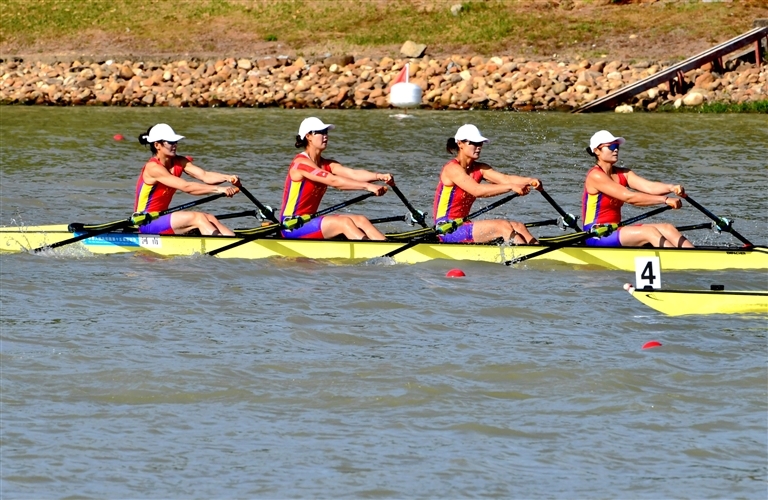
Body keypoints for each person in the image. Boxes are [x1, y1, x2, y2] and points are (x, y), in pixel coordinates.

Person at [279, 117, 391, 240]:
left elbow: (353, 174)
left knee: (361, 220)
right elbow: (334, 181)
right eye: (320, 132)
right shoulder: (300, 164)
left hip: (310, 220)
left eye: (326, 132)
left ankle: (387, 245)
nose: (325, 136)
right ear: (308, 136)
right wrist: (368, 186)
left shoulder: (327, 164)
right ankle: (373, 250)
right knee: (344, 223)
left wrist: (379, 176)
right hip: (293, 225)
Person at [432, 124, 541, 244]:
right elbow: (477, 190)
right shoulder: (452, 169)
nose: (478, 147)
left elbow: (505, 179)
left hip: (463, 224)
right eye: (473, 143)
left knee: (518, 226)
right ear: (460, 144)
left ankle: (540, 254)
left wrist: (530, 181)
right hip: (447, 229)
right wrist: (511, 187)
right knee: (502, 226)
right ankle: (524, 257)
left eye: (480, 143)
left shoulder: (480, 168)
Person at [582, 130, 693, 248]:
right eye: (611, 146)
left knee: (668, 228)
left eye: (617, 146)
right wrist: (665, 200)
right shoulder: (595, 175)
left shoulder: (624, 173)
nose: (616, 149)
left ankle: (697, 258)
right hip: (596, 234)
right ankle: (677, 262)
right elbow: (630, 197)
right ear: (597, 151)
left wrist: (671, 187)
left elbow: (649, 187)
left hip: (615, 229)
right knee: (649, 232)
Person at [135, 123, 240, 236]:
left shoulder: (179, 161)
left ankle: (237, 242)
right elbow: (186, 187)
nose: (174, 145)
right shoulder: (153, 168)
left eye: (175, 141)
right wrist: (220, 189)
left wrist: (228, 178)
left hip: (162, 218)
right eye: (170, 142)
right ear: (157, 145)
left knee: (209, 218)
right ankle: (223, 246)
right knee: (198, 217)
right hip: (146, 221)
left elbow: (205, 175)